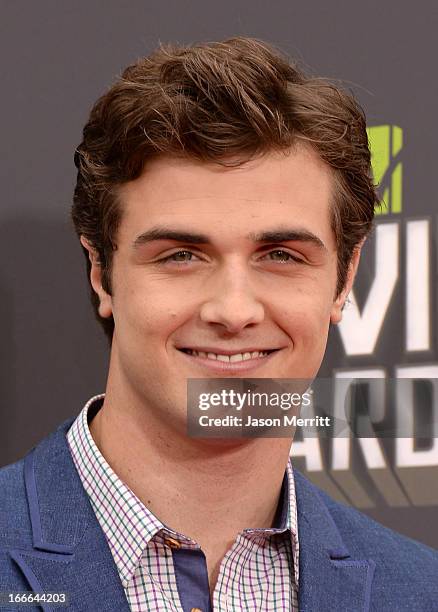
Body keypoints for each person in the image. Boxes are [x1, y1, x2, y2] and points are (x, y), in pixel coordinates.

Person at [1, 37, 437, 612]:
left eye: (281, 255)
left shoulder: (419, 589)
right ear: (102, 274)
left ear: (344, 277)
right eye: (181, 255)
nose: (234, 312)